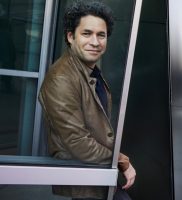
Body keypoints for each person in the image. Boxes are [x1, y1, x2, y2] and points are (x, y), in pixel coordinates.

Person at [38, 1, 136, 199]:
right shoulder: (62, 78)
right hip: (83, 174)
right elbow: (78, 142)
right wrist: (121, 160)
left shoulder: (89, 70)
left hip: (97, 171)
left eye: (101, 35)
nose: (95, 42)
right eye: (86, 33)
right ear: (70, 37)